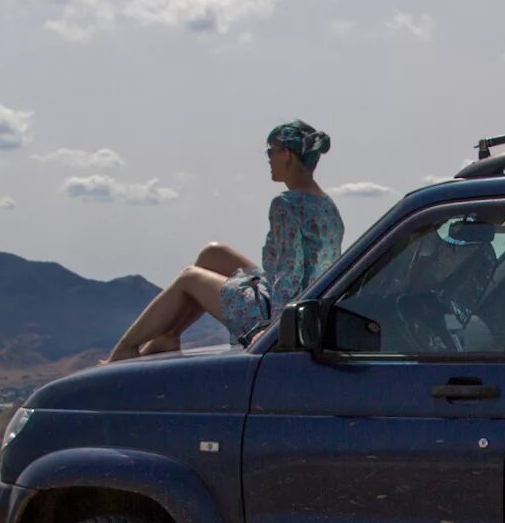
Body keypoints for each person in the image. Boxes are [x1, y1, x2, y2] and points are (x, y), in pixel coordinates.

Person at [105, 120, 345, 360]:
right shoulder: (326, 205)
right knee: (213, 253)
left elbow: (289, 274)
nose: (268, 158)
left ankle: (124, 350)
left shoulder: (286, 205)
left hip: (281, 314)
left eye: (270, 151)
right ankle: (168, 336)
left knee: (190, 277)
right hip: (307, 304)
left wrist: (276, 332)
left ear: (286, 155)